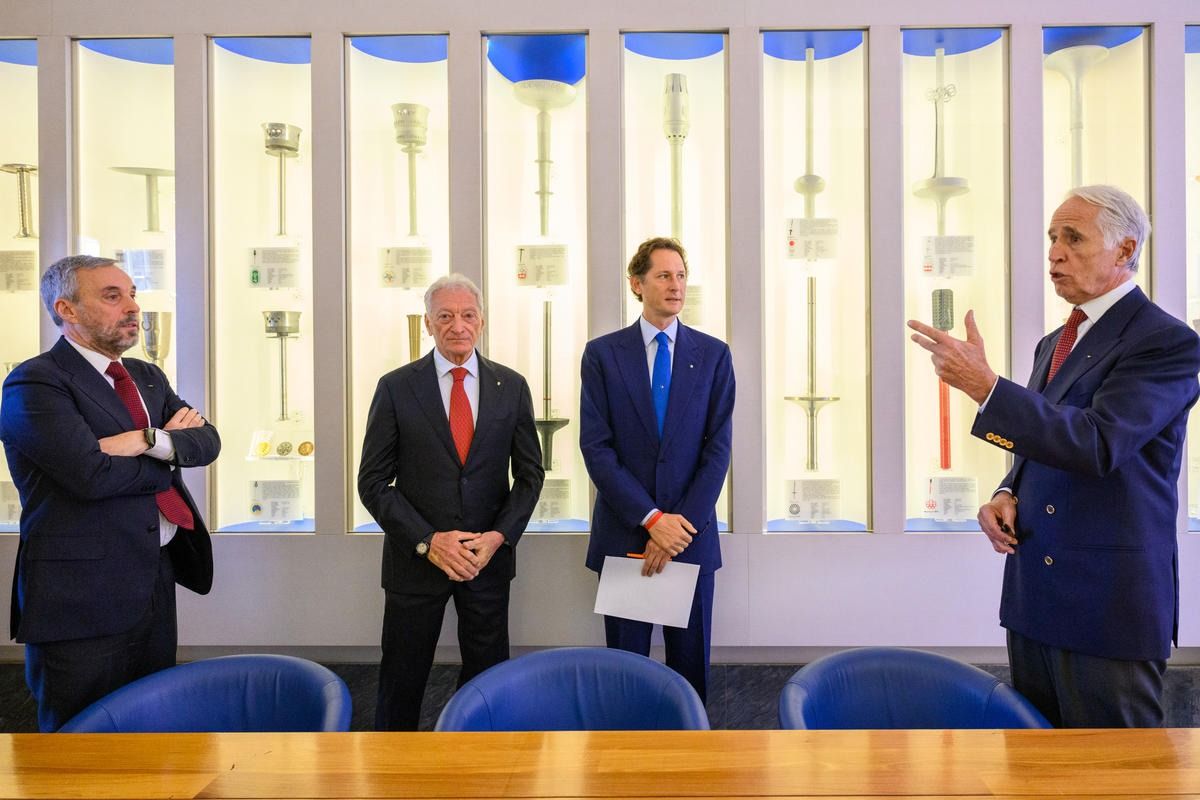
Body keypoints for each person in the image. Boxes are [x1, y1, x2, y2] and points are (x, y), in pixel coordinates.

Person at [908, 185, 1200, 727]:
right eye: (1052, 238)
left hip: (1106, 608)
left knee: (1114, 769)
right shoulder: (1056, 341)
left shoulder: (1165, 341)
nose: (1055, 253)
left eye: (1073, 238)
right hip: (1036, 602)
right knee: (1036, 765)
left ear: (1125, 249)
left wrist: (988, 388)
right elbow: (1044, 439)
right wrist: (1007, 491)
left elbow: (1098, 443)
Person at [0, 255, 219, 732]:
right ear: (67, 309)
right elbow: (89, 475)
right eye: (112, 296)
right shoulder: (35, 381)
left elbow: (207, 441)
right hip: (79, 596)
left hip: (153, 578)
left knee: (152, 729)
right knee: (79, 741)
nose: (133, 307)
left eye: (132, 295)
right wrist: (167, 454)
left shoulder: (146, 375)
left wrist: (145, 439)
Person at [358, 273, 543, 730]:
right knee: (401, 683)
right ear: (428, 323)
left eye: (467, 315)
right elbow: (373, 481)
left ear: (481, 321)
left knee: (487, 687)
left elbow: (529, 475)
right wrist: (427, 541)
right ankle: (393, 766)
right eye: (445, 316)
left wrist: (498, 537)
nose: (457, 326)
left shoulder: (511, 386)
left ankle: (481, 767)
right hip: (416, 563)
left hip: (485, 561)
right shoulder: (396, 387)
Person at [579, 236, 735, 702]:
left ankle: (689, 754)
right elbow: (597, 448)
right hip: (627, 538)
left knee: (690, 679)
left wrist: (676, 529)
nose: (675, 285)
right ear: (637, 283)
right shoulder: (603, 355)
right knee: (626, 681)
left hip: (689, 540)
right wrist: (651, 520)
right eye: (664, 275)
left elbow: (718, 450)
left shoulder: (714, 355)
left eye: (681, 276)